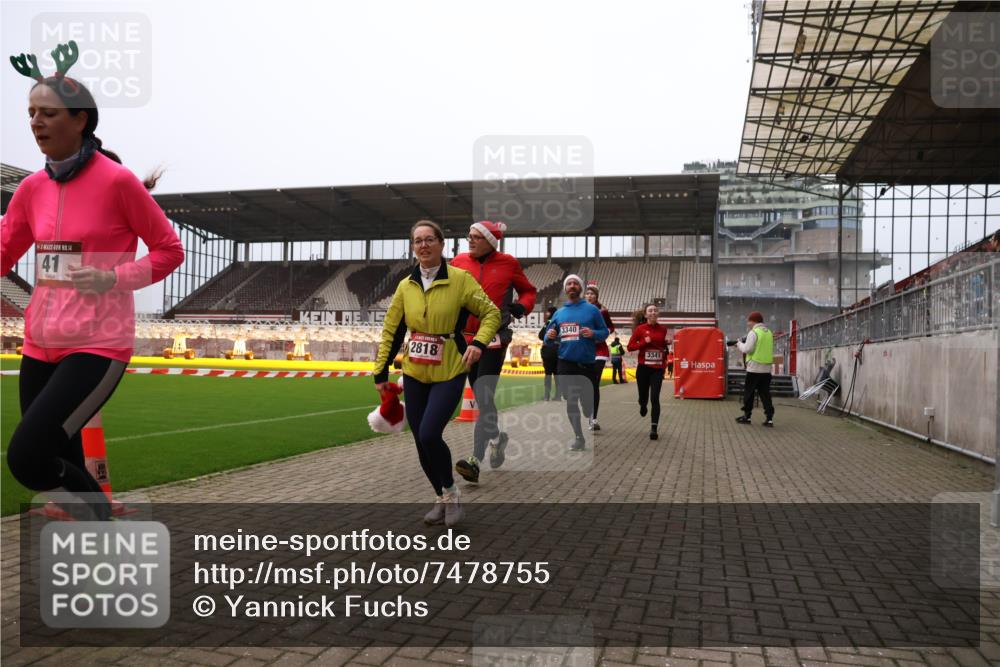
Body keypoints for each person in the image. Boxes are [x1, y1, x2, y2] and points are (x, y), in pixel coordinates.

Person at [2, 41, 184, 520]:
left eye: (49, 113)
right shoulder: (31, 188)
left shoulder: (118, 182)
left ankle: (99, 522)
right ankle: (88, 532)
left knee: (27, 457)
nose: (36, 122)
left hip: (98, 343)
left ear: (81, 119)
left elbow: (170, 251)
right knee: (55, 458)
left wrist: (112, 278)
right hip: (40, 341)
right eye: (31, 112)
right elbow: (4, 251)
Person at [373, 220, 500, 527]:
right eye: (418, 241)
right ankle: (443, 495)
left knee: (430, 433)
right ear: (413, 247)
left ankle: (452, 494)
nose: (424, 245)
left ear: (442, 245)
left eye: (430, 239)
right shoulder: (406, 286)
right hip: (415, 370)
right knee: (420, 440)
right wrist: (380, 372)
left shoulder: (460, 279)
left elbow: (491, 313)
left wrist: (479, 343)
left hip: (450, 367)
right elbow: (393, 329)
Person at [450, 221, 536, 483]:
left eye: (476, 237)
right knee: (479, 394)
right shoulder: (458, 261)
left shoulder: (508, 263)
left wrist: (522, 306)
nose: (470, 240)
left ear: (490, 241)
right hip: (463, 338)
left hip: (495, 337)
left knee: (484, 397)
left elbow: (529, 291)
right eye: (469, 236)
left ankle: (475, 460)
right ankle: (498, 438)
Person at [543, 275, 609, 450]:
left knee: (586, 404)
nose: (572, 286)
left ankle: (589, 411)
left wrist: (594, 333)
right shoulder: (559, 313)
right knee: (571, 401)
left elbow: (605, 332)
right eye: (569, 284)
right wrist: (549, 336)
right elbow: (547, 337)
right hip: (565, 362)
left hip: (586, 363)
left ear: (580, 288)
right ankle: (579, 437)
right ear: (565, 289)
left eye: (575, 284)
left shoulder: (592, 310)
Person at [627, 303, 669, 440]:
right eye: (650, 311)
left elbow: (660, 345)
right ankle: (642, 404)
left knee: (655, 398)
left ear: (658, 314)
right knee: (644, 397)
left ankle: (654, 428)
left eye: (655, 310)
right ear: (646, 315)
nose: (653, 312)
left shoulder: (663, 329)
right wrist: (644, 342)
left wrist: (665, 344)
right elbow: (630, 347)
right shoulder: (640, 329)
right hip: (643, 369)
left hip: (657, 369)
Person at [733, 311, 774, 427]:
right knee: (765, 394)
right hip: (766, 369)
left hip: (754, 369)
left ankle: (747, 416)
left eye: (749, 321)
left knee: (749, 394)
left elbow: (747, 349)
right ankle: (769, 418)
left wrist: (739, 344)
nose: (747, 323)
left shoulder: (753, 332)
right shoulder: (768, 333)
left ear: (753, 321)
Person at [583, 284, 614, 431]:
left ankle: (593, 419)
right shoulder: (580, 310)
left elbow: (610, 327)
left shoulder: (603, 311)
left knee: (594, 384)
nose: (589, 296)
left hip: (599, 351)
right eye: (587, 294)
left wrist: (600, 335)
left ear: (597, 296)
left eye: (592, 294)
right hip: (583, 351)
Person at [538, 306, 560, 400]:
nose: (546, 314)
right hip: (558, 351)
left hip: (548, 351)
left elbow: (541, 335)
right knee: (557, 375)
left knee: (548, 375)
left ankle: (546, 396)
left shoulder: (549, 322)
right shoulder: (560, 323)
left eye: (548, 312)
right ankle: (558, 396)